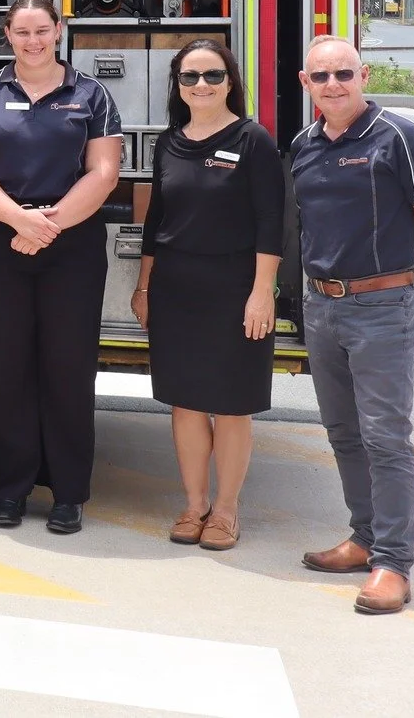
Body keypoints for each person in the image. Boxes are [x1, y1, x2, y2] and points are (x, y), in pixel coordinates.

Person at [290, 34, 414, 616]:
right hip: (323, 306)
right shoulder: (305, 144)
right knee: (343, 432)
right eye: (321, 76)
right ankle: (363, 538)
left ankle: (393, 563)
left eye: (344, 73)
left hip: (383, 308)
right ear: (305, 83)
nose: (333, 84)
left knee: (386, 438)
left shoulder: (403, 139)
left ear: (363, 75)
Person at [0, 0, 122, 533]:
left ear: (58, 30)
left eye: (42, 30)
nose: (33, 41)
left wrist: (47, 226)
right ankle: (9, 490)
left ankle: (68, 493)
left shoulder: (91, 94)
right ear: (7, 34)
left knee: (68, 368)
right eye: (22, 32)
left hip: (70, 245)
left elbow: (104, 172)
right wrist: (18, 221)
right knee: (5, 369)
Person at [132, 39, 284, 551]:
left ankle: (225, 510)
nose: (201, 85)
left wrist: (262, 294)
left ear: (230, 81)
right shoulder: (168, 143)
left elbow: (271, 222)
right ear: (177, 85)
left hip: (235, 288)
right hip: (176, 288)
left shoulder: (252, 140)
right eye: (190, 77)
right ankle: (194, 505)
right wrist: (144, 286)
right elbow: (156, 221)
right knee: (186, 403)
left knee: (232, 404)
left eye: (213, 75)